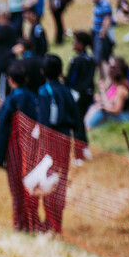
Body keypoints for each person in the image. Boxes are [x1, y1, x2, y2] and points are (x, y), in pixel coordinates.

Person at [36, 54, 87, 233]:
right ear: (60, 72)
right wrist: (79, 148)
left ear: (42, 72)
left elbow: (43, 123)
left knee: (48, 179)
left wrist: (40, 146)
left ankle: (49, 222)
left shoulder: (43, 91)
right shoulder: (67, 91)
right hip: (65, 141)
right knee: (61, 180)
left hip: (49, 143)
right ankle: (57, 221)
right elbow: (77, 121)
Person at [0, 62, 40, 232]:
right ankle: (33, 221)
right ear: (26, 79)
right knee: (32, 186)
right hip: (33, 149)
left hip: (14, 151)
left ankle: (21, 225)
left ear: (10, 80)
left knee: (17, 188)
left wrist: (0, 158)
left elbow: (2, 131)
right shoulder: (34, 98)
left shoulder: (10, 101)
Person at [85, 57, 129, 127]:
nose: (109, 70)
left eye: (112, 67)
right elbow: (109, 105)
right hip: (126, 116)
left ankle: (87, 127)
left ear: (119, 70)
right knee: (96, 107)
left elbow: (116, 110)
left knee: (101, 113)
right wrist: (103, 91)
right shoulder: (119, 87)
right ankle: (85, 127)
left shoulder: (122, 89)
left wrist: (103, 108)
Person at [67, 31, 97, 118]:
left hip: (78, 94)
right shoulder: (91, 59)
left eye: (75, 41)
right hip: (89, 92)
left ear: (80, 44)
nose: (73, 43)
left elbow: (71, 80)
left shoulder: (76, 60)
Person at [88, 0, 114, 74]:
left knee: (103, 60)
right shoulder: (97, 3)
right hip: (97, 34)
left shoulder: (104, 3)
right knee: (98, 59)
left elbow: (107, 19)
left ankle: (108, 80)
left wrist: (102, 34)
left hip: (102, 36)